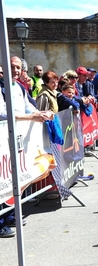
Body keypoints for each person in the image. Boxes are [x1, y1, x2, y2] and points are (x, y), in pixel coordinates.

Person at [0, 56, 53, 238]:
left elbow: (28, 108)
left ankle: (10, 215)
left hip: (17, 139)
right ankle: (0, 222)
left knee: (15, 178)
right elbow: (2, 113)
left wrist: (41, 113)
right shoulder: (1, 86)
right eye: (11, 67)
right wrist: (30, 118)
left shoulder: (20, 87)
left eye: (17, 67)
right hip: (3, 139)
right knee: (3, 179)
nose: (15, 70)